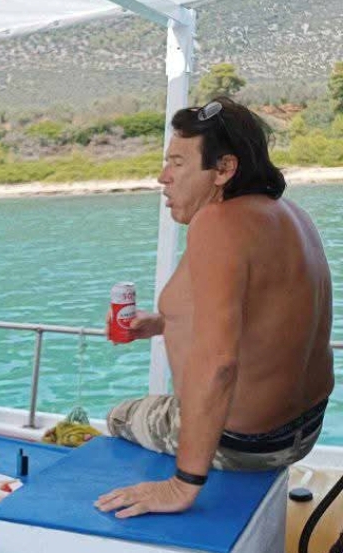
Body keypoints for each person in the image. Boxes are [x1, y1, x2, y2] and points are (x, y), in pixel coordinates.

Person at [96, 97, 334, 519]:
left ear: (223, 169)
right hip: (304, 426)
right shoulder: (290, 215)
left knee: (118, 416)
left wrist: (183, 484)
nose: (163, 177)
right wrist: (161, 323)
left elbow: (219, 364)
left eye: (177, 163)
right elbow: (264, 316)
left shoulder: (217, 223)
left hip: (246, 444)